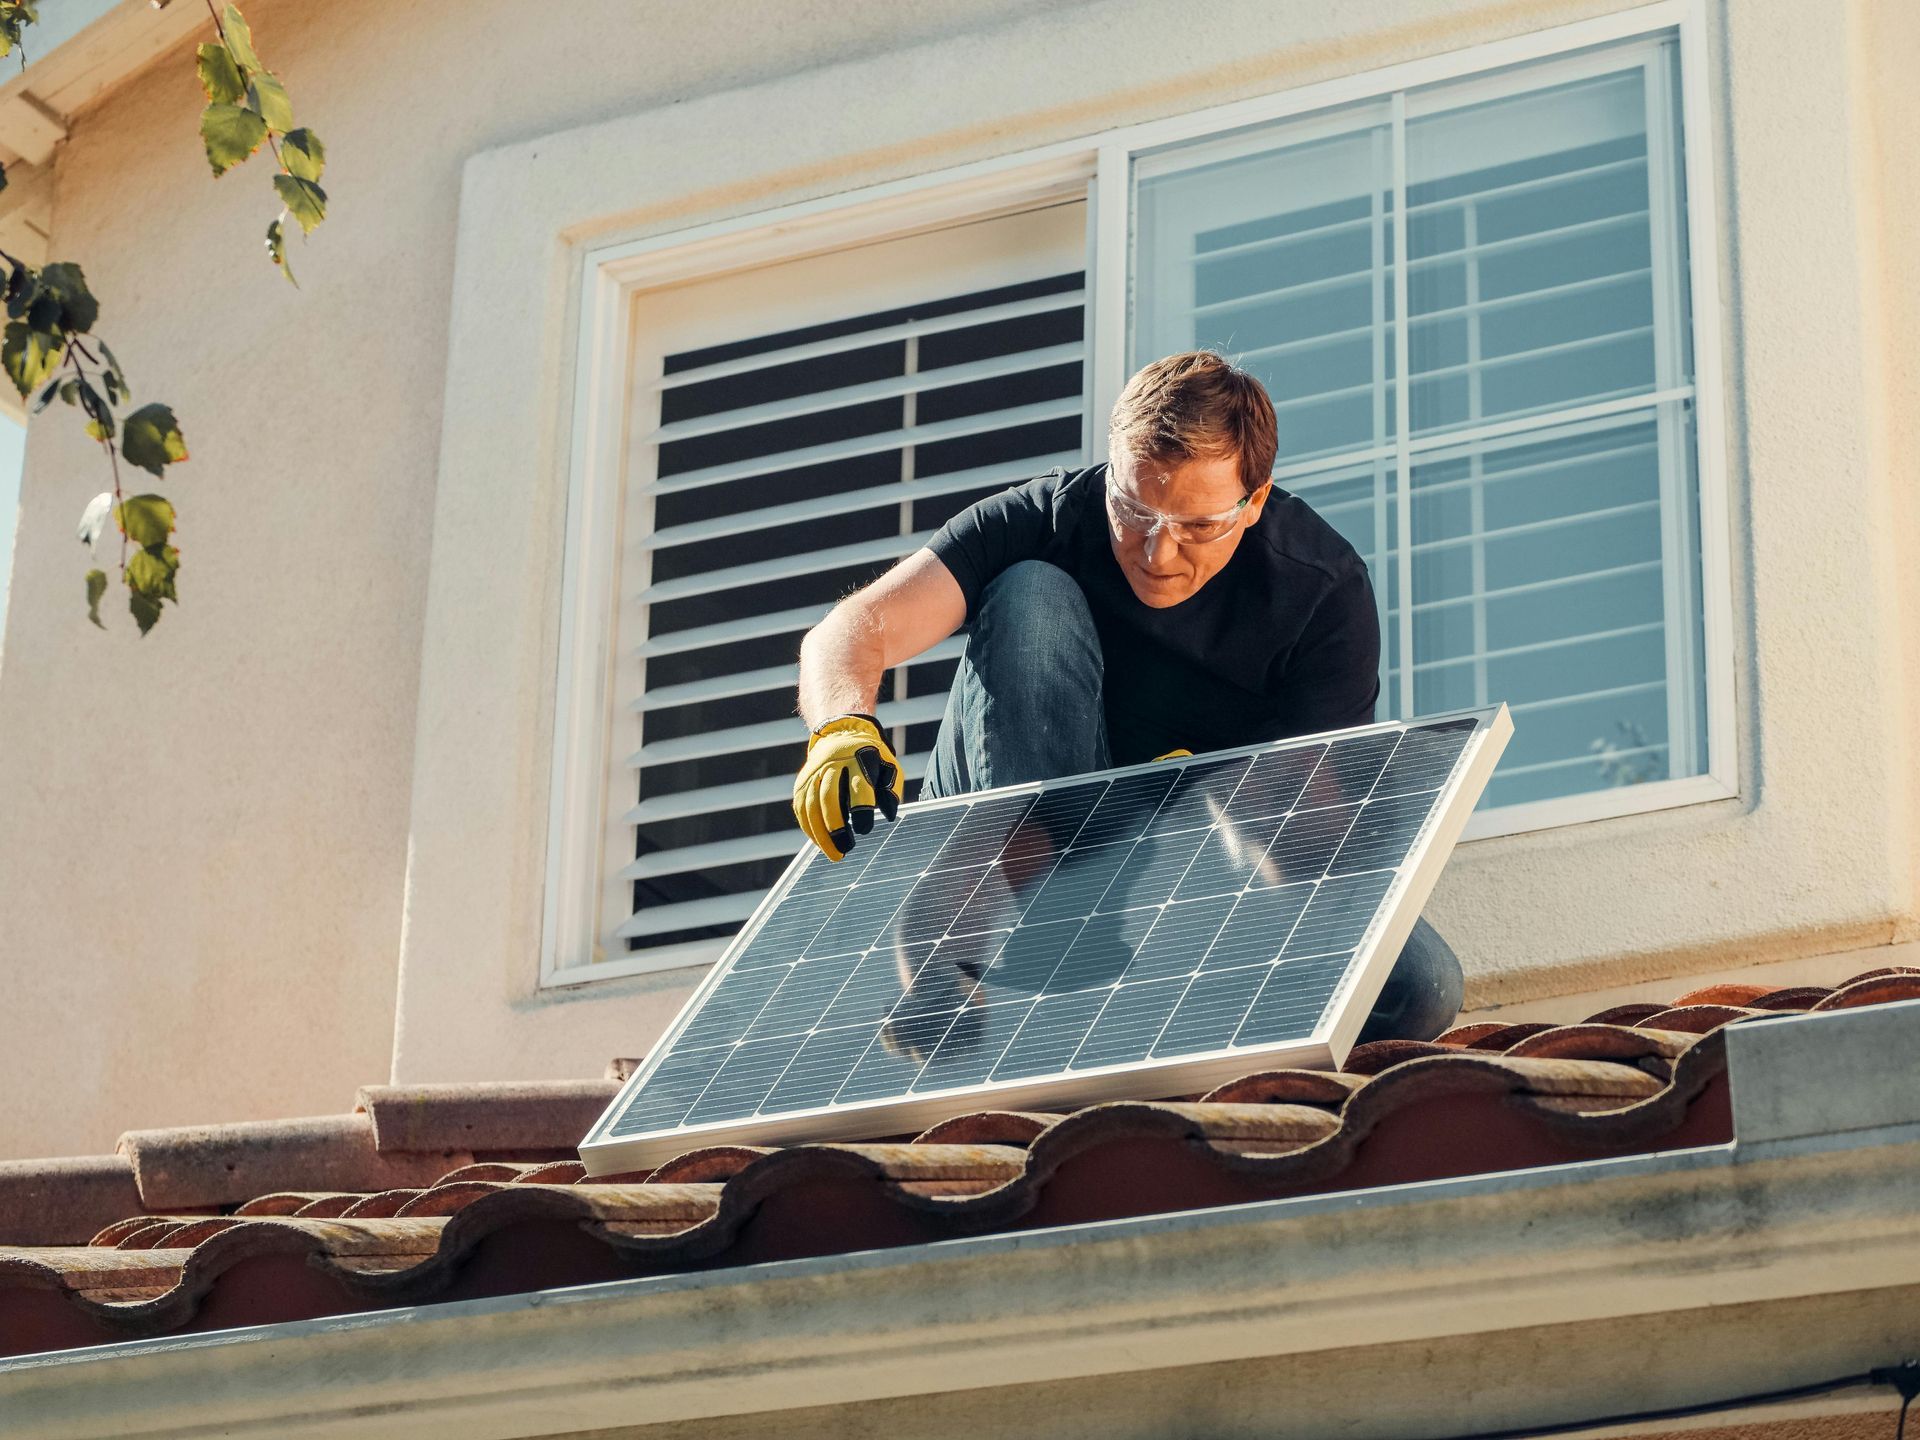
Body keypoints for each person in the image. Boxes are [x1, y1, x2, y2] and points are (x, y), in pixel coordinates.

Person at [789, 349, 1462, 1045]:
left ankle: (1129, 967)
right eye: (1133, 510)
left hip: (1189, 871)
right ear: (1110, 472)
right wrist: (840, 730)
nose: (1157, 553)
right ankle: (1000, 919)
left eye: (1198, 526)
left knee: (1417, 989)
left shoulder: (1319, 594)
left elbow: (1319, 849)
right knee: (1030, 592)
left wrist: (1230, 811)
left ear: (1255, 501)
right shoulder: (1048, 518)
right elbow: (852, 630)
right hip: (1026, 833)